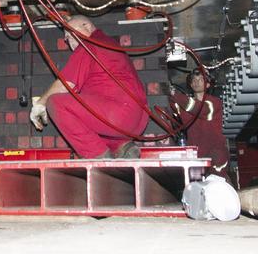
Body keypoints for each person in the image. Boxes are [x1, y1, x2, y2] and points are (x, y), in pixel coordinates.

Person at [30, 15, 149, 159]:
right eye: (66, 38)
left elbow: (65, 84)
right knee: (88, 122)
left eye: (70, 35)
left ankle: (98, 157)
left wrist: (41, 103)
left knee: (56, 102)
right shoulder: (108, 44)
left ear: (86, 27)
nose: (68, 41)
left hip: (119, 114)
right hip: (138, 120)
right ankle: (122, 147)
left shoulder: (89, 44)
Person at [171, 71, 233, 185]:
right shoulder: (184, 104)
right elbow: (175, 112)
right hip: (196, 155)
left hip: (215, 154)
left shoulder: (214, 103)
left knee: (216, 184)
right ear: (190, 84)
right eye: (194, 80)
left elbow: (199, 109)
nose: (196, 82)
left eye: (200, 80)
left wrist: (173, 95)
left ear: (207, 85)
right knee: (196, 188)